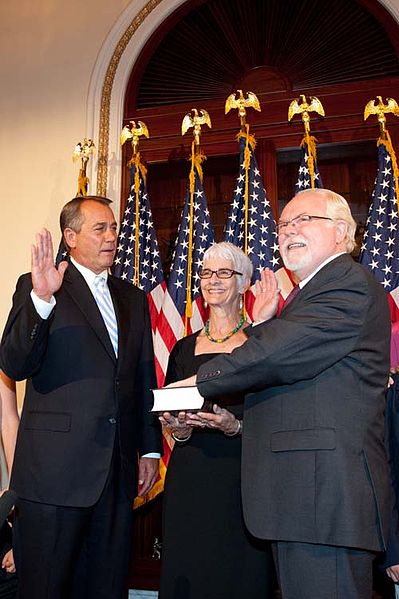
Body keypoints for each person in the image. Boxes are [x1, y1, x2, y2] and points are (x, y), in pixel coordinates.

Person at [169, 188, 392, 599]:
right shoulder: (310, 294)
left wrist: (196, 383)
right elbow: (287, 375)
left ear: (342, 231)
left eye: (304, 220)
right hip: (301, 503)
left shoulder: (347, 284)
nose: (289, 231)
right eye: (284, 224)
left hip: (323, 503)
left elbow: (278, 353)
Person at [0, 196, 162, 599]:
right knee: (46, 588)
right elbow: (13, 363)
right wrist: (40, 300)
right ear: (70, 237)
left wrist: (149, 449)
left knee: (106, 587)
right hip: (54, 477)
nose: (112, 237)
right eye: (100, 229)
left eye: (113, 228)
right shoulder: (39, 286)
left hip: (116, 473)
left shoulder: (133, 298)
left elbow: (141, 376)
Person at [159, 241, 275, 599]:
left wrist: (235, 426)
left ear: (243, 284)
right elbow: (170, 411)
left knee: (239, 575)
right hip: (190, 476)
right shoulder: (182, 348)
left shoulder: (260, 343)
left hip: (242, 476)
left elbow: (275, 415)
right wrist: (176, 429)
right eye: (206, 273)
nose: (213, 280)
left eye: (224, 273)